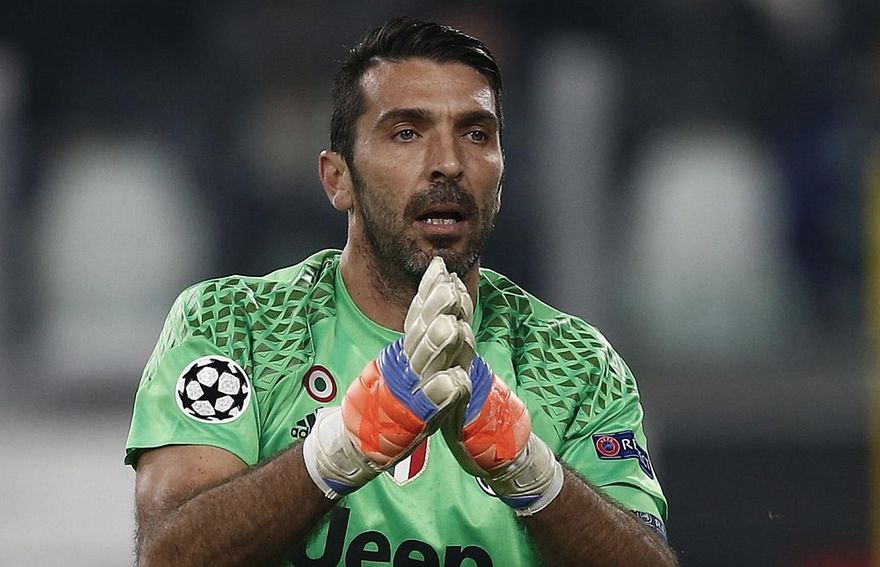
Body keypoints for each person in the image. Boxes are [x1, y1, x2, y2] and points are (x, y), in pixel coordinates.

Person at [126, 17, 678, 567]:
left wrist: (534, 475)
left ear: (502, 175)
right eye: (407, 132)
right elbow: (168, 555)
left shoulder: (574, 362)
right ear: (338, 179)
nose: (449, 164)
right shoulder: (235, 324)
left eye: (476, 134)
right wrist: (337, 451)